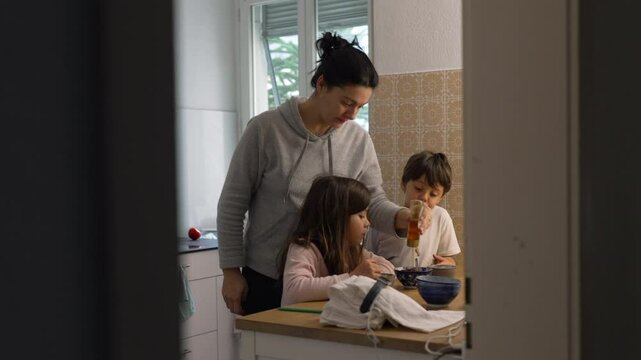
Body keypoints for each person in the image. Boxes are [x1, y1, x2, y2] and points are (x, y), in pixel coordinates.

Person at [216, 32, 422, 315]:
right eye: (347, 102)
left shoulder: (358, 141)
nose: (352, 114)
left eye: (360, 107)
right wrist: (230, 271)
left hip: (329, 278)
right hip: (265, 278)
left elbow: (372, 202)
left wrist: (402, 217)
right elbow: (232, 203)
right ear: (322, 84)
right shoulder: (265, 130)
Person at [279, 176, 395, 306]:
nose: (367, 223)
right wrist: (352, 278)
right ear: (336, 217)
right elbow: (294, 289)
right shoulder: (304, 248)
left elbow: (388, 267)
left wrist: (369, 273)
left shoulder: (353, 250)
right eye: (361, 216)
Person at [364, 151, 461, 268]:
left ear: (441, 198)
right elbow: (367, 257)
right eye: (418, 188)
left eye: (433, 194)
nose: (424, 197)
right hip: (388, 283)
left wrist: (447, 263)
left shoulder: (441, 217)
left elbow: (448, 258)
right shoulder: (383, 217)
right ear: (403, 184)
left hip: (425, 284)